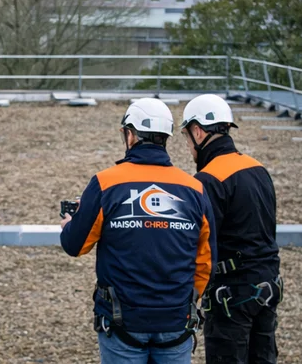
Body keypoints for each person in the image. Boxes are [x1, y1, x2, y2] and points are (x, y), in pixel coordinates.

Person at [61, 98, 215, 364]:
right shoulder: (195, 189)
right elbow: (206, 260)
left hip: (122, 320)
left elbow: (76, 245)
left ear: (130, 135)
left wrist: (68, 225)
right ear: (166, 137)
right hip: (176, 320)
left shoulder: (106, 183)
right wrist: (186, 299)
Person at [181, 94, 281, 364]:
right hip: (268, 287)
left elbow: (198, 243)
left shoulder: (207, 179)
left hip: (231, 297)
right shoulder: (257, 168)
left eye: (187, 138)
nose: (189, 147)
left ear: (198, 132)